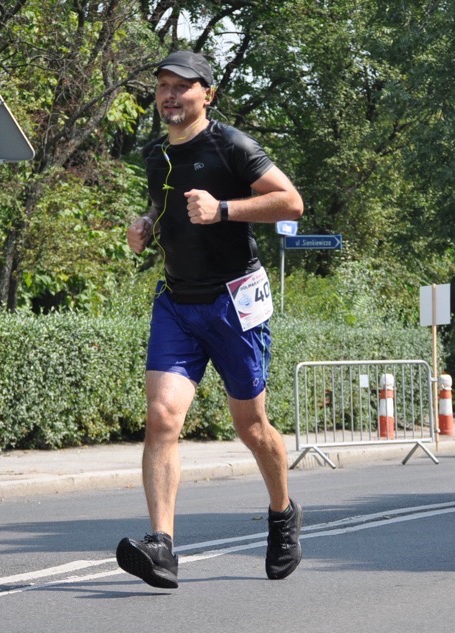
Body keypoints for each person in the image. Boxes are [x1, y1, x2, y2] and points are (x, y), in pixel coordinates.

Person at [116, 51, 304, 589]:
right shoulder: (155, 154)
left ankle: (283, 513)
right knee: (161, 417)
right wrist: (146, 224)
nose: (171, 96)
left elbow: (291, 202)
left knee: (251, 427)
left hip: (233, 302)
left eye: (183, 86)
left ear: (208, 94)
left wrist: (224, 209)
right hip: (177, 302)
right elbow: (165, 206)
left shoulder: (233, 146)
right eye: (163, 86)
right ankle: (161, 545)